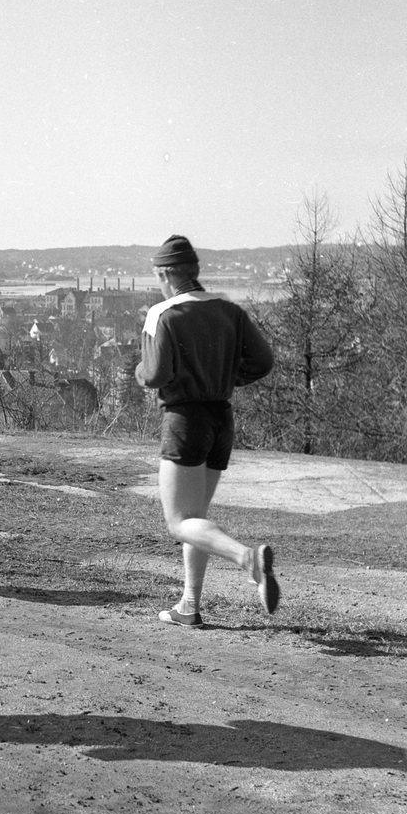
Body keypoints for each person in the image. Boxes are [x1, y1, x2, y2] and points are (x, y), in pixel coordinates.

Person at [135, 234, 279, 627]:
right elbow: (263, 361)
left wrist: (139, 371)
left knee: (179, 522)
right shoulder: (229, 311)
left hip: (184, 420)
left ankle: (246, 558)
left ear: (166, 274)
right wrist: (229, 377)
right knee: (197, 518)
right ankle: (189, 606)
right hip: (222, 418)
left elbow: (155, 374)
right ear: (194, 272)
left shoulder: (164, 314)